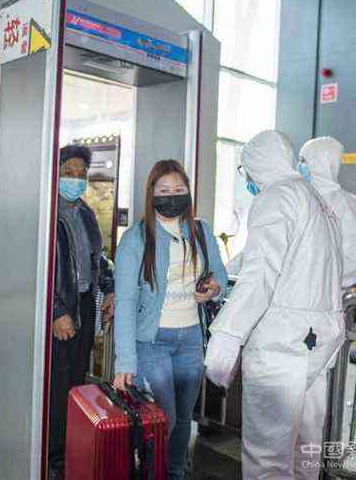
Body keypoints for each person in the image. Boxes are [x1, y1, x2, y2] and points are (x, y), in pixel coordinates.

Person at [205, 130, 344, 480]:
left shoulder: (276, 196)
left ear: (257, 163)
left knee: (267, 455)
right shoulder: (317, 200)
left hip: (281, 343)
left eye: (245, 169)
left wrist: (226, 336)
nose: (248, 180)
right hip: (319, 339)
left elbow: (260, 274)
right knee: (304, 447)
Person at [113, 159, 227, 480]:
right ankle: (153, 472)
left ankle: (175, 473)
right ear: (151, 194)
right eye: (164, 190)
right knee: (166, 419)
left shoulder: (201, 231)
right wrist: (125, 360)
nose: (172, 196)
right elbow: (125, 301)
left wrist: (214, 287)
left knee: (184, 418)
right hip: (153, 341)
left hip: (191, 338)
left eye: (179, 189)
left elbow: (219, 274)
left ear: (189, 192)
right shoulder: (135, 239)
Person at [49, 145, 115, 479]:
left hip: (84, 305)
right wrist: (56, 311)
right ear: (55, 173)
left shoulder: (86, 213)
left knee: (76, 381)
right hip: (60, 310)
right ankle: (53, 457)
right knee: (57, 386)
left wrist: (109, 288)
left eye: (81, 173)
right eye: (68, 172)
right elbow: (41, 268)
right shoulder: (47, 215)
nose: (75, 178)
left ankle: (70, 449)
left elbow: (96, 257)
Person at [299, 137, 356, 288]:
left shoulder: (344, 203)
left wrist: (316, 277)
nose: (299, 166)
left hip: (322, 294)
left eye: (303, 160)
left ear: (319, 163)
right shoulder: (299, 198)